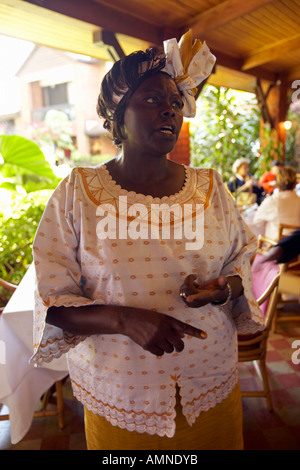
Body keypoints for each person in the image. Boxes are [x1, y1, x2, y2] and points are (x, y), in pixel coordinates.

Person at [30, 30, 264, 450]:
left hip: (209, 378)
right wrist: (123, 319)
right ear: (117, 115)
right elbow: (50, 298)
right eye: (153, 100)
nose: (169, 112)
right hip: (121, 391)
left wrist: (222, 288)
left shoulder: (211, 189)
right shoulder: (79, 193)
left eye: (176, 103)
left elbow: (243, 256)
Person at [253, 166, 300, 241]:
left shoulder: (272, 201)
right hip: (297, 248)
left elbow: (257, 222)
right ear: (295, 184)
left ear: (277, 184)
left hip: (274, 247)